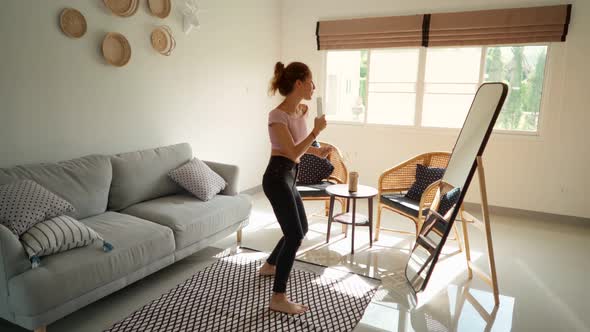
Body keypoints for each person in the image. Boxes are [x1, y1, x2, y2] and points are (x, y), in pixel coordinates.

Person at [259, 61, 332, 314]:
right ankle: (278, 298)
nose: (314, 86)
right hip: (277, 178)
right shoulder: (276, 116)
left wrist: (317, 150)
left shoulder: (301, 110)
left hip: (289, 177)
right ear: (299, 83)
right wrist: (315, 132)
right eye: (311, 81)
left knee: (301, 227)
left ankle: (270, 265)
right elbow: (289, 152)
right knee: (294, 235)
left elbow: (297, 145)